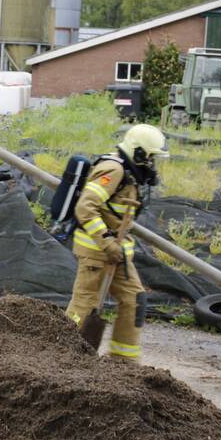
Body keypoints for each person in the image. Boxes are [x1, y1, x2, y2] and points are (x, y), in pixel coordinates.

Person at [63, 124, 169, 362]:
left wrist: (115, 247)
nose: (153, 164)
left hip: (117, 254)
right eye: (151, 157)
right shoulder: (114, 170)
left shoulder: (129, 174)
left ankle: (123, 362)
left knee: (134, 299)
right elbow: (85, 208)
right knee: (84, 305)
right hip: (96, 252)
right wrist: (107, 242)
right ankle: (63, 355)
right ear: (139, 153)